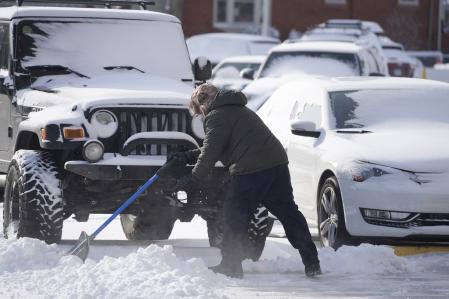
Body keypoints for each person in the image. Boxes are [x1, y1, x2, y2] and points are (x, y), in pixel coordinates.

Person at [169, 83, 321, 279]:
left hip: (250, 170)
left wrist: (193, 178)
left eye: (199, 112)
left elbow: (211, 150)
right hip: (276, 165)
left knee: (234, 216)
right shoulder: (237, 109)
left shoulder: (217, 116)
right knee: (288, 213)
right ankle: (311, 261)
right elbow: (221, 144)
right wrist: (188, 156)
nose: (202, 115)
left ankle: (230, 265)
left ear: (203, 103)